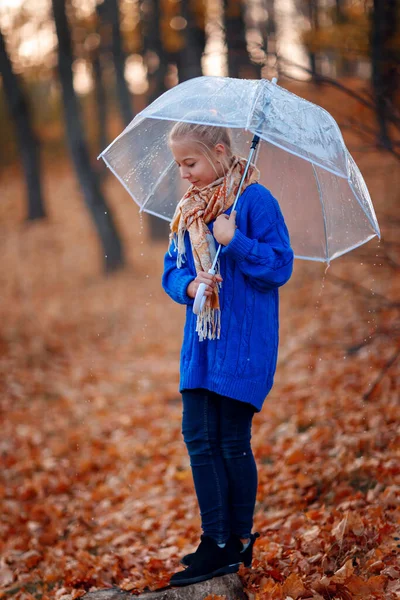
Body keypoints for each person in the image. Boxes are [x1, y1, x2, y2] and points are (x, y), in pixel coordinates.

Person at [162, 117, 294, 587]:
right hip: (200, 345)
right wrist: (191, 283)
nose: (184, 173)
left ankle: (233, 540)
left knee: (230, 439)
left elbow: (279, 266)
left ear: (220, 152)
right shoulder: (188, 210)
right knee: (198, 435)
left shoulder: (255, 201)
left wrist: (233, 241)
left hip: (241, 345)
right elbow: (170, 271)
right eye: (179, 164)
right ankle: (215, 539)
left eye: (191, 162)